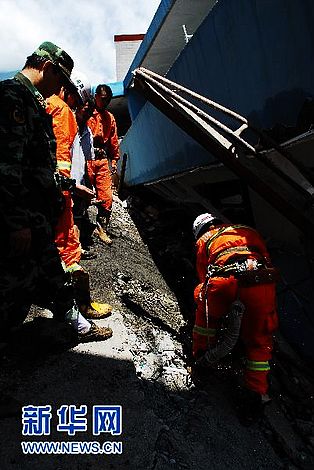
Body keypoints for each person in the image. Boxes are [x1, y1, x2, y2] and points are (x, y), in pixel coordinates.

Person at [0, 41, 113, 353]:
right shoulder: (13, 98)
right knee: (16, 285)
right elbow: (7, 167)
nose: (60, 88)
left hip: (33, 212)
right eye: (60, 80)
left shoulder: (31, 100)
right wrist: (16, 221)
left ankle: (76, 323)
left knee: (49, 271)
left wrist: (65, 182)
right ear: (46, 68)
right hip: (21, 215)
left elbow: (34, 165)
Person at [191, 213, 279, 425]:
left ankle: (200, 356)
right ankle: (255, 395)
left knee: (204, 311)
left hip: (224, 283)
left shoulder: (204, 240)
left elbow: (205, 276)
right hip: (259, 282)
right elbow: (265, 259)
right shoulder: (247, 230)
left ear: (200, 230)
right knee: (260, 341)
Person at [87, 84, 120, 245]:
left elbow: (113, 141)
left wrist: (114, 160)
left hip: (101, 159)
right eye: (103, 99)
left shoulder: (110, 118)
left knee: (106, 197)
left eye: (108, 100)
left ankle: (102, 229)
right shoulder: (86, 113)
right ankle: (79, 228)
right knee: (81, 194)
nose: (105, 102)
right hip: (86, 157)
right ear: (96, 97)